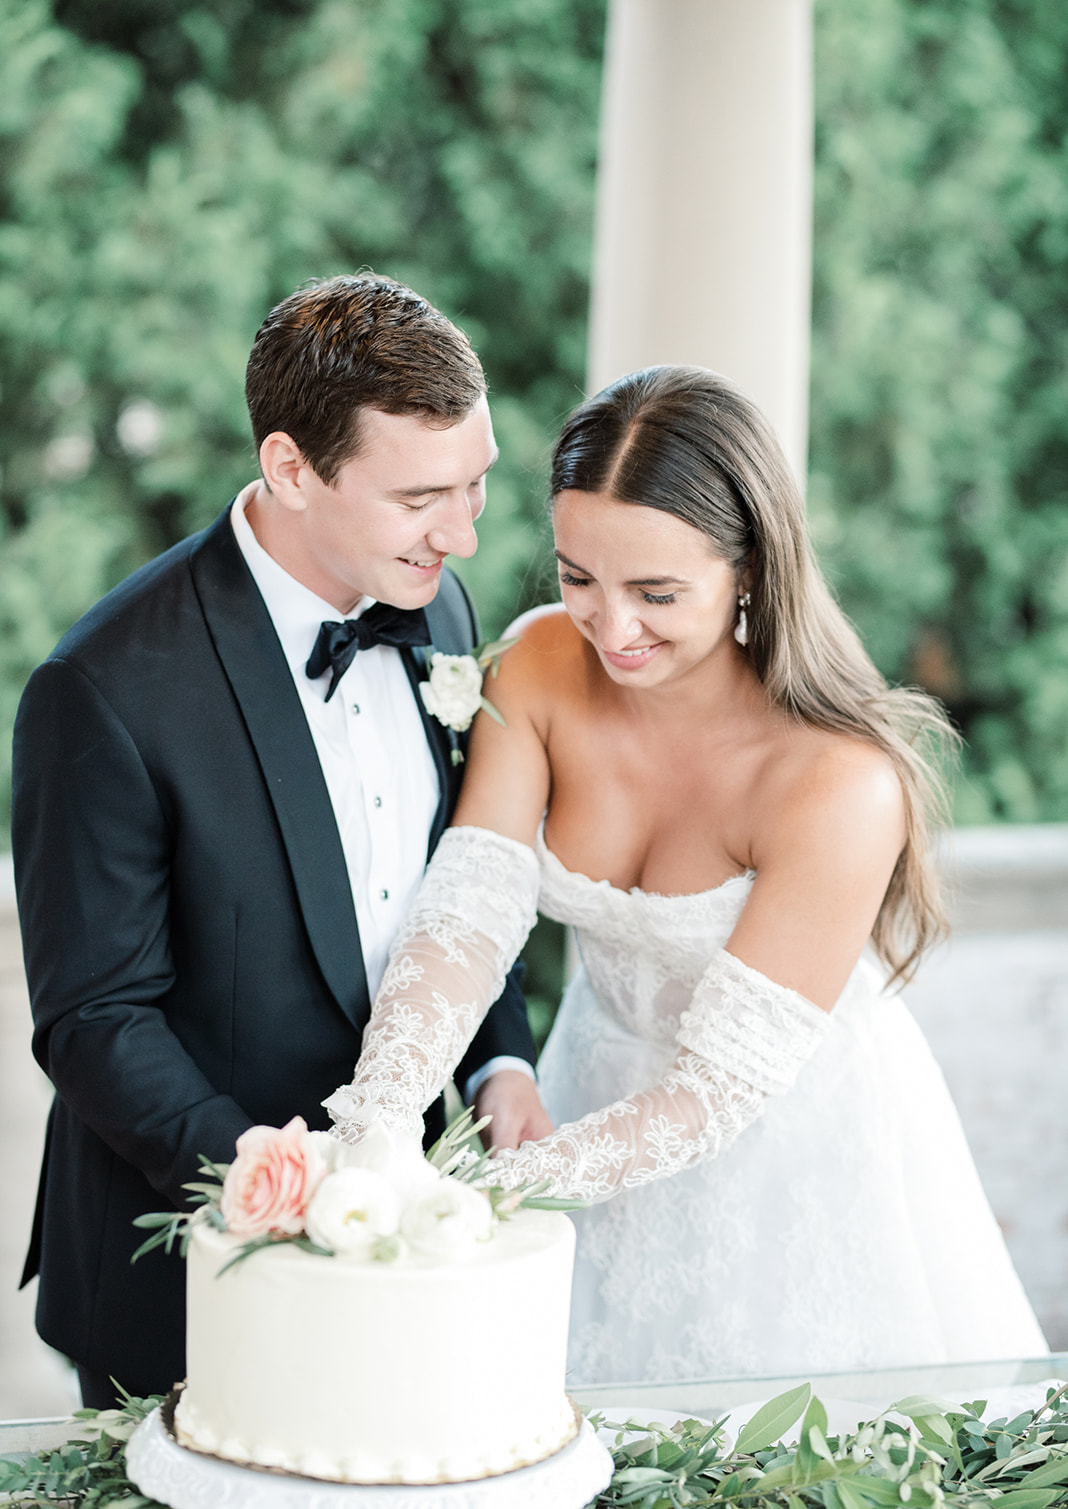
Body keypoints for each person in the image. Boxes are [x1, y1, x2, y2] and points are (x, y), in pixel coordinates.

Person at [326, 365, 1048, 1383]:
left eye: (657, 593)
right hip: (591, 1082)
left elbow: (713, 1094)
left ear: (748, 567)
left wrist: (489, 1197)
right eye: (579, 576)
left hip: (783, 1142)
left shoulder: (840, 780)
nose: (611, 629)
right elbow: (471, 911)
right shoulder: (537, 664)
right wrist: (384, 1117)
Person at [12, 273, 548, 1408]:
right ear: (291, 469)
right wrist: (270, 1176)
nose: (460, 531)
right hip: (192, 1269)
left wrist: (500, 1055)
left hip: (420, 1239)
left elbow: (462, 876)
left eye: (476, 485)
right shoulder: (102, 688)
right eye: (419, 498)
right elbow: (94, 1015)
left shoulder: (436, 606)